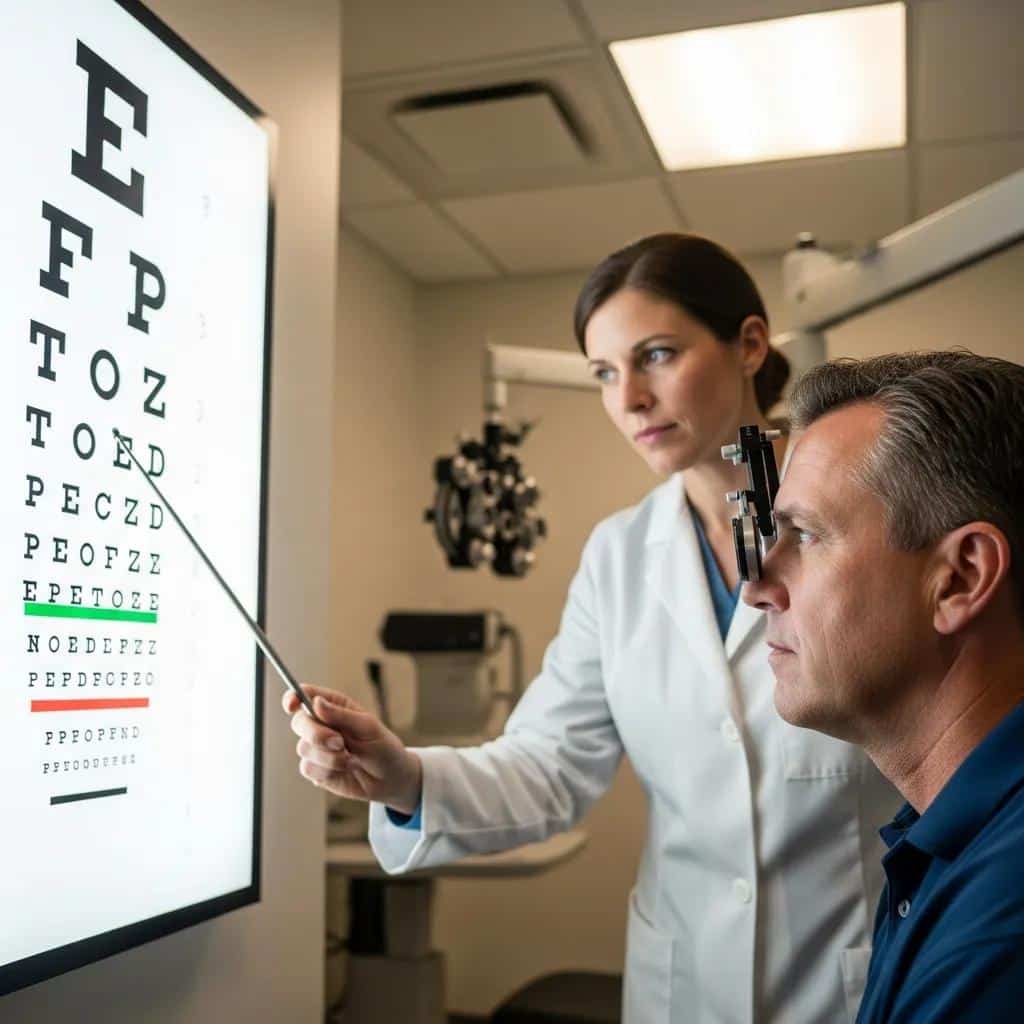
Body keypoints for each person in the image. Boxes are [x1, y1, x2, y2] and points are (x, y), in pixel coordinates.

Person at [285, 234, 900, 1023]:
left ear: (749, 345)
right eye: (606, 374)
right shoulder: (619, 557)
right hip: (684, 985)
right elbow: (552, 765)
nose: (630, 399)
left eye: (656, 356)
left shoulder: (868, 519)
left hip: (852, 978)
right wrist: (404, 778)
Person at [743, 351, 1024, 1023]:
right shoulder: (944, 838)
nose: (756, 589)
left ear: (958, 579)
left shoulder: (1000, 924)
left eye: (804, 536)